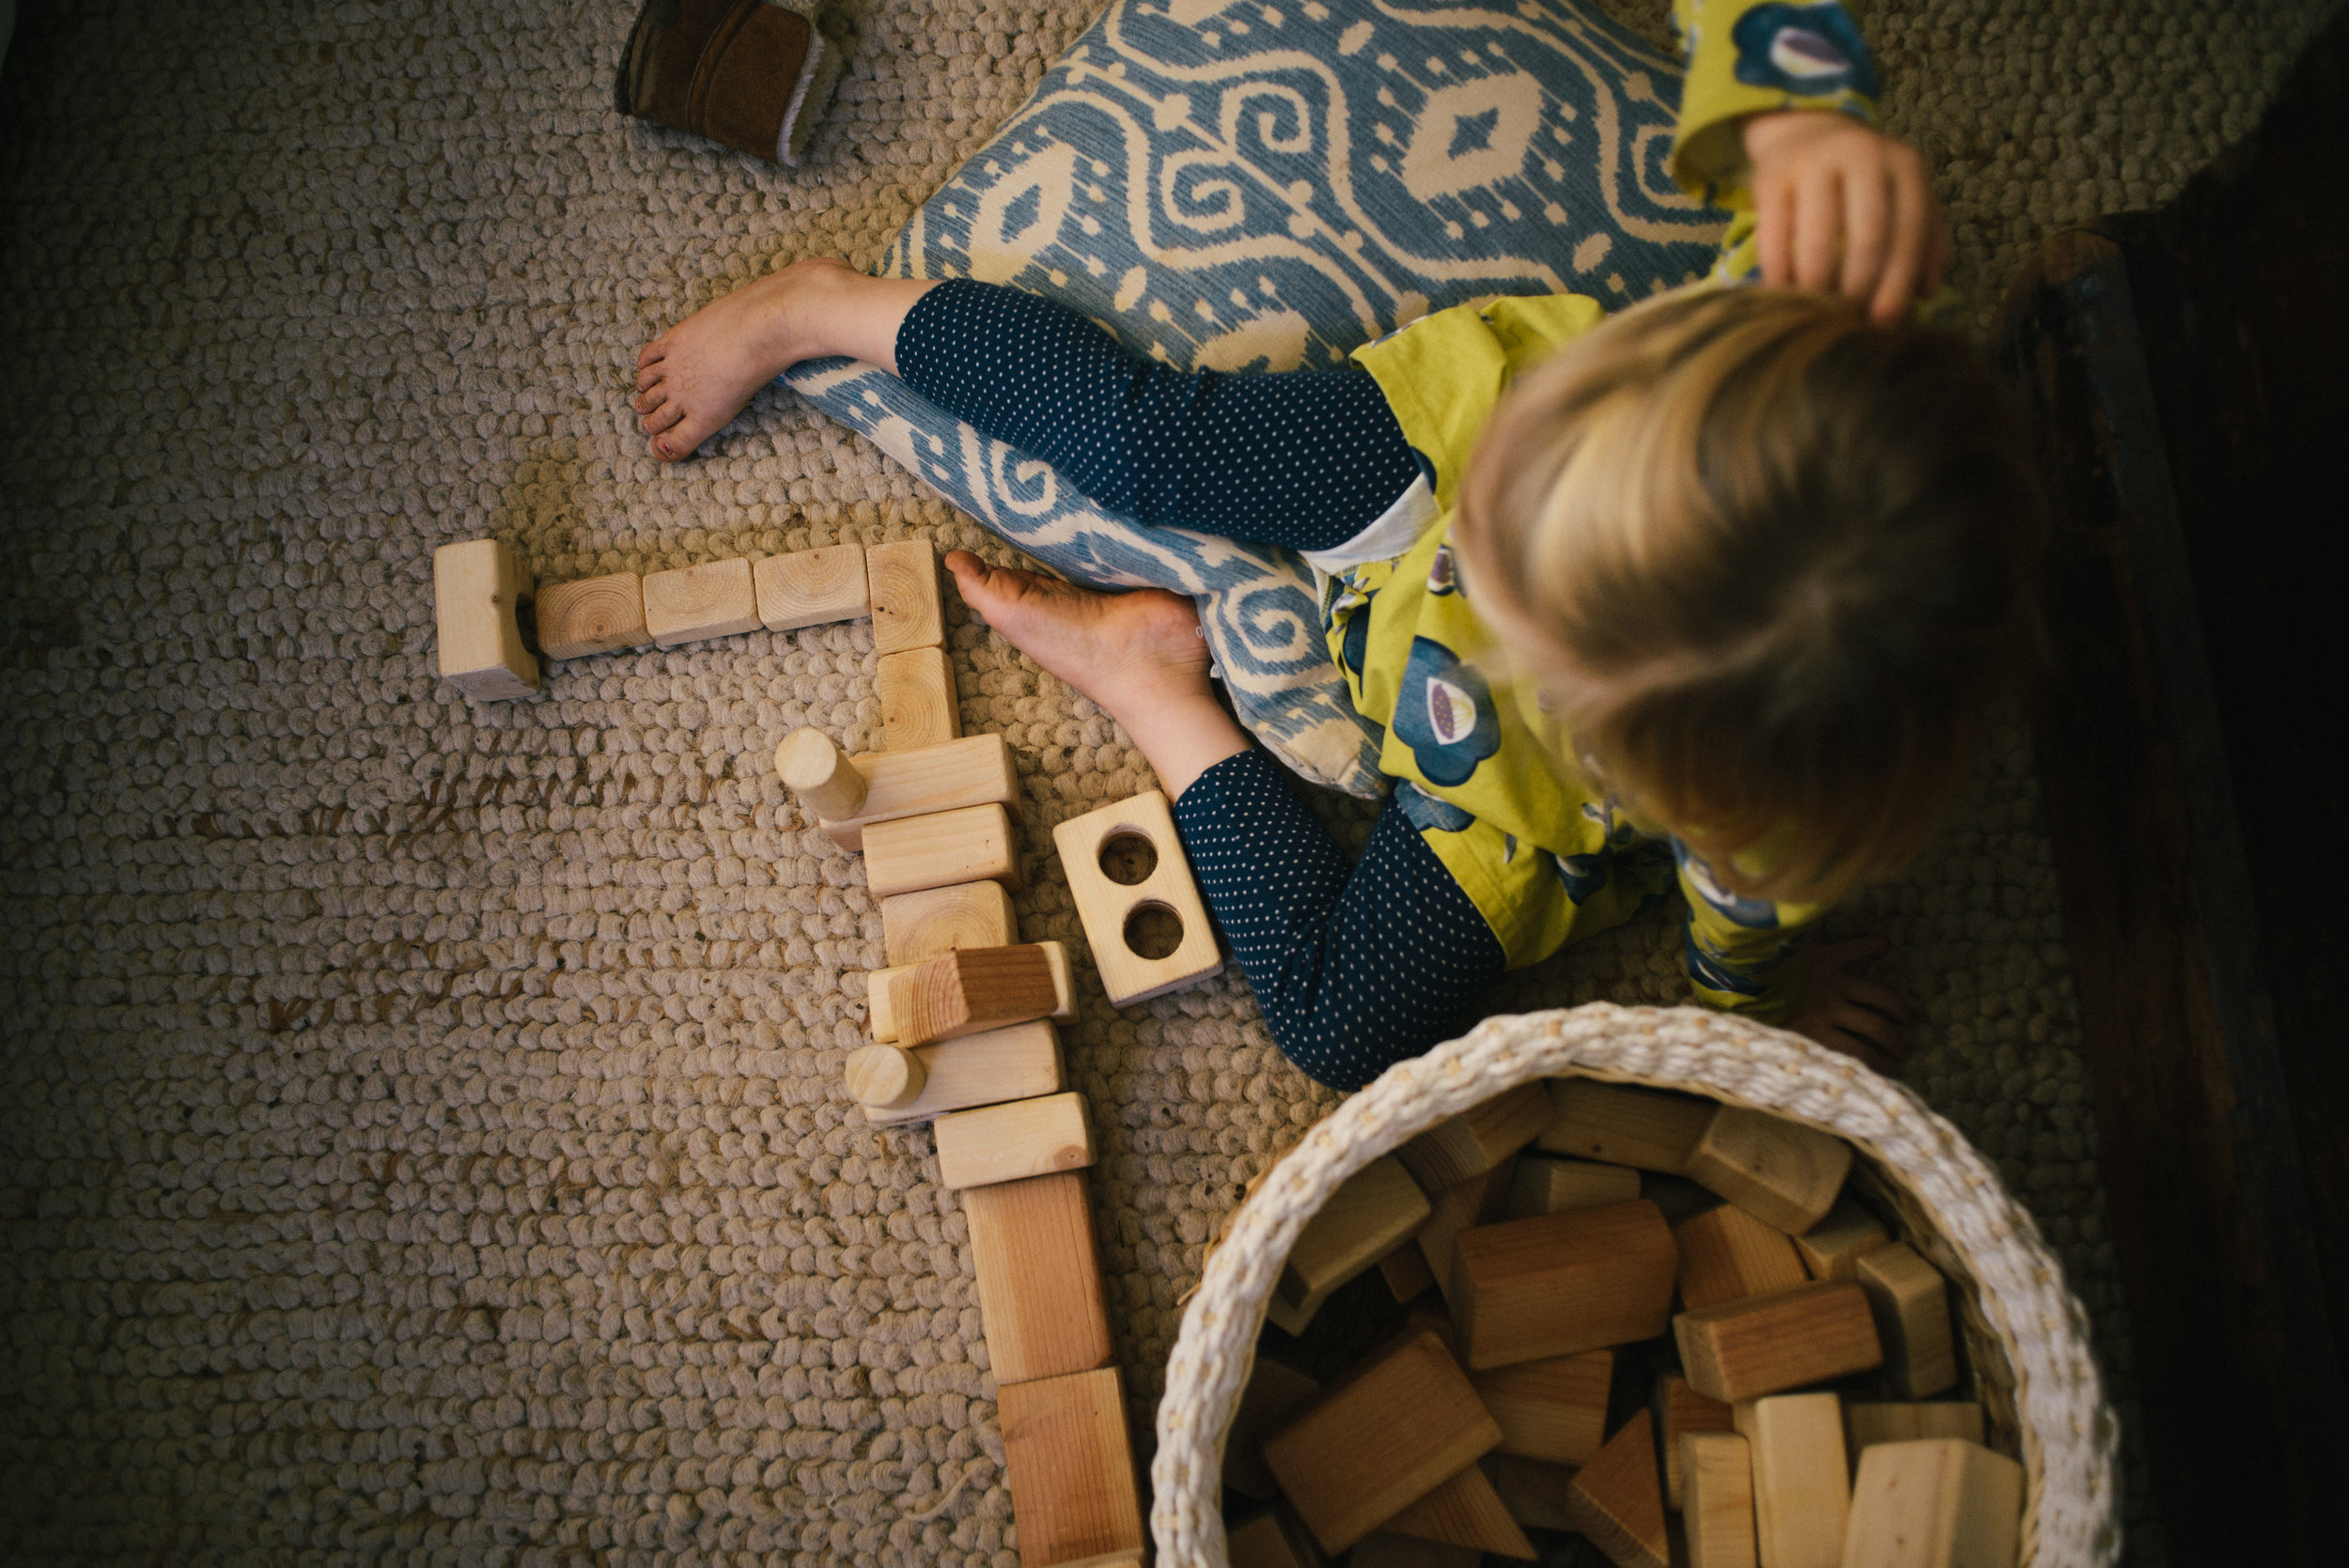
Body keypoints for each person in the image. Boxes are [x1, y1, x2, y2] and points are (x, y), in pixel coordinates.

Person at [628, 1, 2042, 1090]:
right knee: (1147, 443)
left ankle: (1151, 684)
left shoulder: (1773, 820)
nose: (1491, 580)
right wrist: (1799, 116)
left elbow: (1739, 921)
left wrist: (1755, 1006)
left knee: (1337, 1023)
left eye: (1525, 602)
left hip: (1517, 796)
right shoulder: (1813, 292)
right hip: (1446, 437)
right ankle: (823, 308)